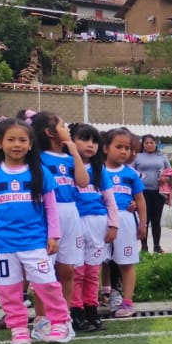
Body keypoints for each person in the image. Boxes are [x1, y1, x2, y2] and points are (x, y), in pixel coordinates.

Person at [0, 117, 72, 344]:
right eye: (11, 139)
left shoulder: (40, 173)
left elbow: (51, 208)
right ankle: (18, 328)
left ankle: (60, 323)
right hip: (2, 244)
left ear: (30, 144)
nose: (16, 144)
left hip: (35, 242)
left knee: (47, 285)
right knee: (7, 290)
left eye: (22, 140)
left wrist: (53, 236)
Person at [27, 111, 89, 339]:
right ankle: (42, 320)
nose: (68, 128)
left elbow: (83, 182)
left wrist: (74, 151)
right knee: (43, 270)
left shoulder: (70, 157)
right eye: (63, 125)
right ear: (50, 132)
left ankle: (64, 318)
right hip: (45, 214)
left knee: (67, 269)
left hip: (70, 212)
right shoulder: (37, 158)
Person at [69, 124, 119, 332]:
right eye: (84, 140)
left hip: (98, 223)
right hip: (75, 223)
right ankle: (76, 311)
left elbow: (110, 200)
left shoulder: (100, 171)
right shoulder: (68, 167)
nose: (90, 145)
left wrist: (113, 224)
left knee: (92, 271)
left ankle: (92, 309)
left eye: (94, 141)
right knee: (77, 271)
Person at [103, 127, 146, 317]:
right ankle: (100, 295)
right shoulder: (96, 171)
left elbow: (141, 199)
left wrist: (143, 223)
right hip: (100, 220)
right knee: (99, 261)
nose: (124, 151)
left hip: (126, 220)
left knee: (126, 262)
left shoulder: (130, 174)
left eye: (127, 148)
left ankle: (127, 302)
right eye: (118, 147)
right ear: (105, 148)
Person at [134, 135, 172, 253]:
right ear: (143, 144)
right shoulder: (137, 157)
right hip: (142, 193)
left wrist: (165, 177)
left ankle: (157, 246)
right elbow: (131, 172)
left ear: (156, 143)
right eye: (146, 143)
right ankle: (144, 247)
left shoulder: (162, 157)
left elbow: (170, 172)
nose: (149, 145)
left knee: (156, 220)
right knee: (144, 221)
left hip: (158, 192)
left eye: (151, 142)